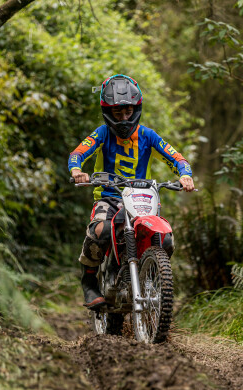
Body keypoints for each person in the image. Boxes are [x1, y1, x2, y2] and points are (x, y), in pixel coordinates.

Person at [68, 74, 195, 309]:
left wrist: (185, 174)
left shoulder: (148, 136)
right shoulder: (102, 134)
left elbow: (176, 157)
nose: (124, 118)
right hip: (108, 197)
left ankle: (151, 275)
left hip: (142, 198)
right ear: (108, 112)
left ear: (136, 109)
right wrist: (77, 171)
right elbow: (78, 153)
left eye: (128, 111)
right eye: (118, 113)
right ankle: (89, 281)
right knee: (101, 229)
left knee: (165, 238)